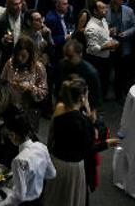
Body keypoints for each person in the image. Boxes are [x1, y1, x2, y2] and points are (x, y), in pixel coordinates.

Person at [45, 78, 117, 206]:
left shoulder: (59, 110)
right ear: (83, 97)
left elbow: (52, 136)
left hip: (56, 162)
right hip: (72, 168)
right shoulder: (83, 122)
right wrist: (107, 143)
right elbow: (88, 150)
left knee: (55, 198)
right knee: (69, 199)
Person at [6, 114, 56, 205]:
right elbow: (52, 174)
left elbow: (20, 196)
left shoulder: (18, 161)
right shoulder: (41, 147)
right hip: (39, 200)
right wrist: (36, 176)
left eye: (9, 135)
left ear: (13, 135)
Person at [0, 37, 48, 131]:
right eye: (18, 55)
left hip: (28, 112)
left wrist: (30, 88)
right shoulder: (10, 63)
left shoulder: (38, 68)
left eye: (23, 56)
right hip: (10, 108)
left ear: (30, 55)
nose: (20, 58)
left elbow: (44, 92)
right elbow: (2, 82)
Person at [106, 0, 135, 100]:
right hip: (109, 45)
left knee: (122, 71)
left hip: (124, 45)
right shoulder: (105, 10)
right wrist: (108, 31)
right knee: (108, 70)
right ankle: (106, 93)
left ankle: (120, 94)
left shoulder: (129, 10)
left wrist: (127, 33)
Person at [84, 1, 119, 101]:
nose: (106, 10)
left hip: (106, 58)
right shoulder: (91, 28)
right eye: (102, 8)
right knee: (95, 85)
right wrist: (108, 46)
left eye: (106, 7)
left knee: (105, 82)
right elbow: (92, 48)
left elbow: (103, 36)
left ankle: (100, 100)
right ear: (95, 11)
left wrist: (109, 33)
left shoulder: (103, 20)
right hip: (96, 60)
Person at [57, 40, 102, 110]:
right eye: (65, 55)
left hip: (82, 108)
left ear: (80, 54)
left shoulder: (90, 72)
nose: (66, 59)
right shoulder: (62, 64)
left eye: (70, 56)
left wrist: (93, 111)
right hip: (64, 106)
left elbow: (95, 96)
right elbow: (57, 87)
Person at [0, 0, 25, 78]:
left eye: (20, 3)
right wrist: (2, 41)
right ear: (8, 6)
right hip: (5, 60)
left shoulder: (23, 18)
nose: (19, 6)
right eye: (15, 4)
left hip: (21, 58)